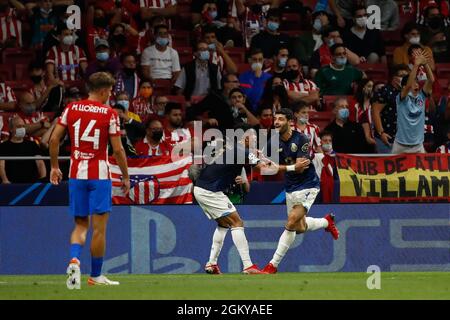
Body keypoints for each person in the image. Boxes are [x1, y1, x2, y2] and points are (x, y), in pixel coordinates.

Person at [49, 72, 130, 288]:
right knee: (99, 229)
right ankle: (95, 276)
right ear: (103, 91)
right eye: (110, 91)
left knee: (80, 225)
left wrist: (55, 167)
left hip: (76, 175)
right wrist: (125, 175)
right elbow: (118, 150)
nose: (111, 95)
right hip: (100, 176)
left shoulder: (71, 108)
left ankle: (75, 260)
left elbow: (54, 138)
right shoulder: (109, 113)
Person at [261, 108, 339, 274]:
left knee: (291, 222)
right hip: (290, 188)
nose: (276, 122)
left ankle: (272, 266)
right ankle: (326, 222)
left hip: (308, 184)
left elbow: (300, 168)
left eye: (281, 119)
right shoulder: (273, 142)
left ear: (290, 122)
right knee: (299, 227)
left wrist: (279, 167)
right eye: (275, 119)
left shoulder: (302, 138)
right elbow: (264, 164)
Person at [193, 125, 267, 274]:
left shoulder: (235, 150)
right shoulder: (241, 151)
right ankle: (248, 266)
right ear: (245, 138)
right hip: (209, 191)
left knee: (223, 224)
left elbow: (252, 160)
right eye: (254, 138)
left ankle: (211, 264)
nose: (256, 141)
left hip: (202, 189)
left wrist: (257, 156)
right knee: (237, 222)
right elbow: (264, 167)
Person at [392, 50, 435, 154]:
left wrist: (424, 64)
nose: (416, 85)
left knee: (422, 171)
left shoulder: (421, 96)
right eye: (413, 82)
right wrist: (416, 64)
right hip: (400, 146)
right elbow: (407, 86)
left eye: (417, 82)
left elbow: (431, 80)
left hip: (418, 146)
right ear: (403, 87)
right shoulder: (401, 98)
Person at [371, 64, 410, 154]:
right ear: (393, 77)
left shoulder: (407, 93)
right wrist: (381, 133)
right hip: (387, 138)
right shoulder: (385, 91)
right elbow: (375, 112)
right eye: (402, 76)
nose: (405, 78)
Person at [0, 115, 46, 184]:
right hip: (12, 184)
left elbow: (40, 163)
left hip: (31, 184)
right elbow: (1, 165)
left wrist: (43, 179)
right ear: (11, 129)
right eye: (18, 126)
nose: (22, 128)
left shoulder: (32, 145)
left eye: (23, 126)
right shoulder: (3, 146)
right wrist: (5, 180)